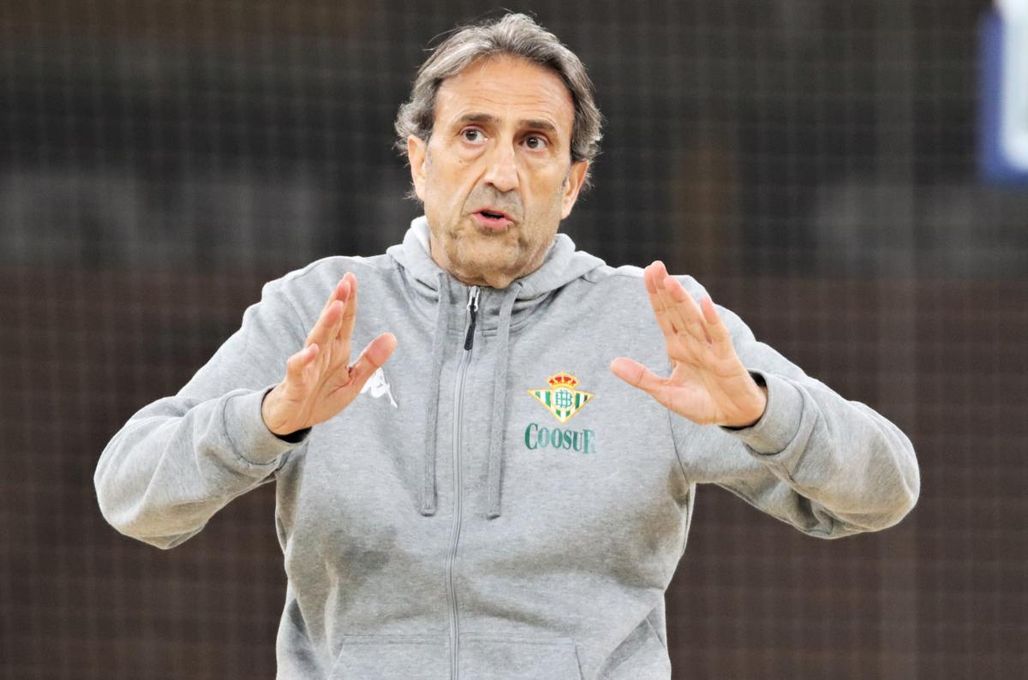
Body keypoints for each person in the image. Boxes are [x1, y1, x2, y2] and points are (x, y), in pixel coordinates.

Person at [94, 13, 920, 680]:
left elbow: (885, 490)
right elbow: (130, 494)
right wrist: (269, 421)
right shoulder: (319, 310)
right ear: (418, 160)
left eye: (534, 141)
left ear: (572, 184)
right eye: (472, 133)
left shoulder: (655, 323)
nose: (501, 171)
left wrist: (759, 412)